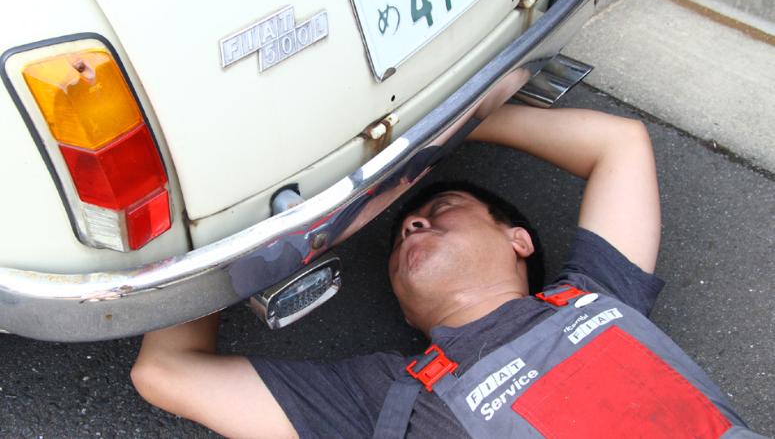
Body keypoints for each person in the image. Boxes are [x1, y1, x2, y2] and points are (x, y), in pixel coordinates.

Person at [130, 70, 765, 438]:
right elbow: (166, 373)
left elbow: (619, 143)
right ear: (408, 316)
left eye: (444, 207)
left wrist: (423, 137)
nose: (412, 221)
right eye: (403, 235)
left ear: (518, 241)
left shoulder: (599, 291)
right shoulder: (385, 398)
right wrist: (235, 220)